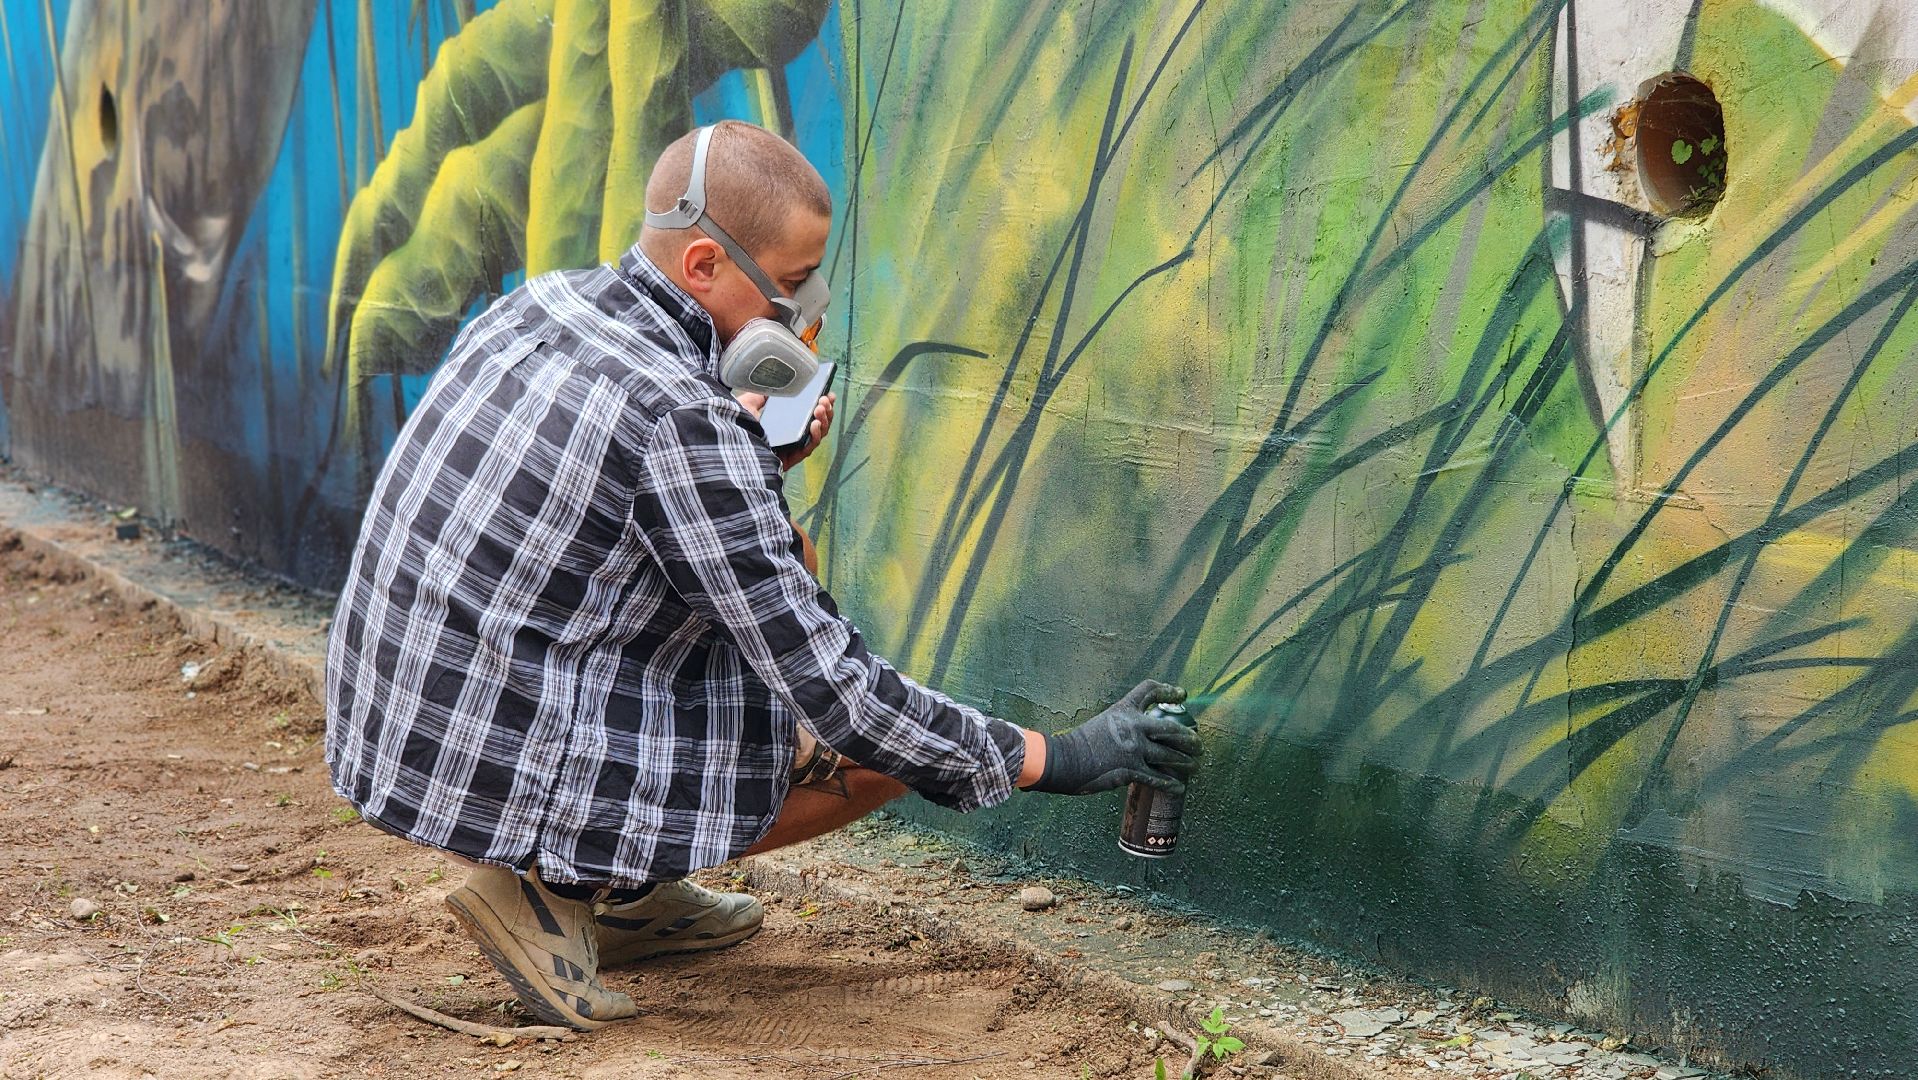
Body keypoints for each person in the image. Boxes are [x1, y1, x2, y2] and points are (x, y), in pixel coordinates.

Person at [323, 119, 1199, 1030]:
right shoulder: (684, 420)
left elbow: (590, 518)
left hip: (409, 725)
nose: (805, 316)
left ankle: (627, 897)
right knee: (872, 756)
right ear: (704, 264)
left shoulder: (544, 303)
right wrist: (1063, 758)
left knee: (782, 563)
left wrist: (757, 468)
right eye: (788, 286)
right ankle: (549, 892)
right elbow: (839, 692)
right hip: (488, 767)